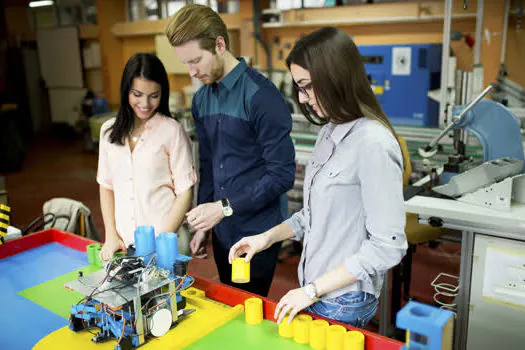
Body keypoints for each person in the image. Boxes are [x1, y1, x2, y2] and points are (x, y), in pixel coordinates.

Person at [228, 27, 408, 328]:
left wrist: (311, 291)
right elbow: (312, 215)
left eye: (307, 86)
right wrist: (265, 239)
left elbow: (388, 246)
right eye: (299, 87)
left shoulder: (373, 143)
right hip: (317, 289)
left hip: (344, 299)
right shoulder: (328, 132)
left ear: (336, 78)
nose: (304, 97)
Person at [165, 4, 296, 297]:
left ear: (220, 45)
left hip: (259, 230)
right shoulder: (201, 101)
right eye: (185, 63)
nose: (192, 71)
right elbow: (209, 162)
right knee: (229, 302)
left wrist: (222, 208)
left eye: (196, 60)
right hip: (222, 229)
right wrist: (203, 223)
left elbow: (282, 175)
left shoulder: (262, 97)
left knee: (249, 306)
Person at [97, 52, 197, 260]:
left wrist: (162, 242)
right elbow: (106, 186)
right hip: (124, 243)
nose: (145, 103)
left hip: (167, 244)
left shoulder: (172, 131)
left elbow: (185, 191)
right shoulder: (108, 131)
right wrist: (111, 235)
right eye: (137, 94)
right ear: (126, 91)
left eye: (154, 96)